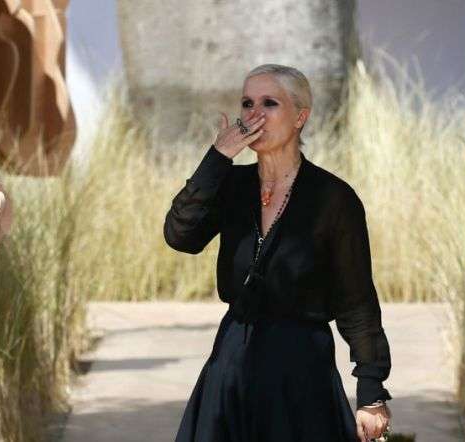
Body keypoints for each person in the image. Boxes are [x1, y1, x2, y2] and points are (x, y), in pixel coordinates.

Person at [165, 64, 392, 442]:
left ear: (300, 116)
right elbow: (180, 235)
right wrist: (216, 158)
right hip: (231, 363)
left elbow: (356, 301)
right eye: (247, 103)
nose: (254, 114)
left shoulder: (333, 198)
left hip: (301, 371)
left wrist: (371, 392)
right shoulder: (231, 186)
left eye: (269, 103)